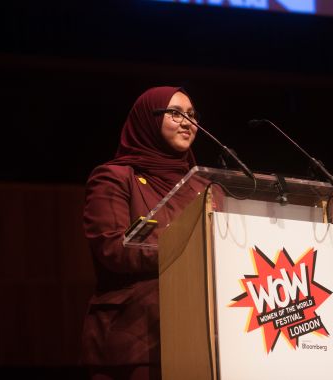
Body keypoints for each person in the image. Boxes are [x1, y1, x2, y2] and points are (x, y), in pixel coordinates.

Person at [81, 86, 201, 380]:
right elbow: (113, 247)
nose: (187, 122)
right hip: (135, 337)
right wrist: (186, 252)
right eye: (175, 113)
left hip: (199, 333)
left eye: (192, 115)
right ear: (147, 119)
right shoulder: (115, 178)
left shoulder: (205, 186)